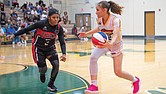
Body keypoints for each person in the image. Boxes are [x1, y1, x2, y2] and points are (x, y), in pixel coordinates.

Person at [79, 1, 140, 94]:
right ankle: (94, 85)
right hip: (105, 43)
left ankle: (135, 80)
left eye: (97, 10)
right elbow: (99, 28)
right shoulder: (99, 19)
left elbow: (116, 33)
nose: (96, 12)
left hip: (116, 45)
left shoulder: (115, 20)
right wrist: (86, 33)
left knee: (118, 72)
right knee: (93, 58)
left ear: (104, 10)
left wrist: (111, 43)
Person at [10, 8, 66, 92]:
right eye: (54, 17)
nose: (56, 20)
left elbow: (62, 41)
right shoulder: (41, 24)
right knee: (43, 69)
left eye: (57, 18)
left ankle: (51, 84)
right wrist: (15, 34)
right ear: (49, 17)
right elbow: (27, 29)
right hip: (38, 48)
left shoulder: (58, 28)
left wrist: (64, 53)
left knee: (56, 64)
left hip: (50, 48)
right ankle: (42, 73)